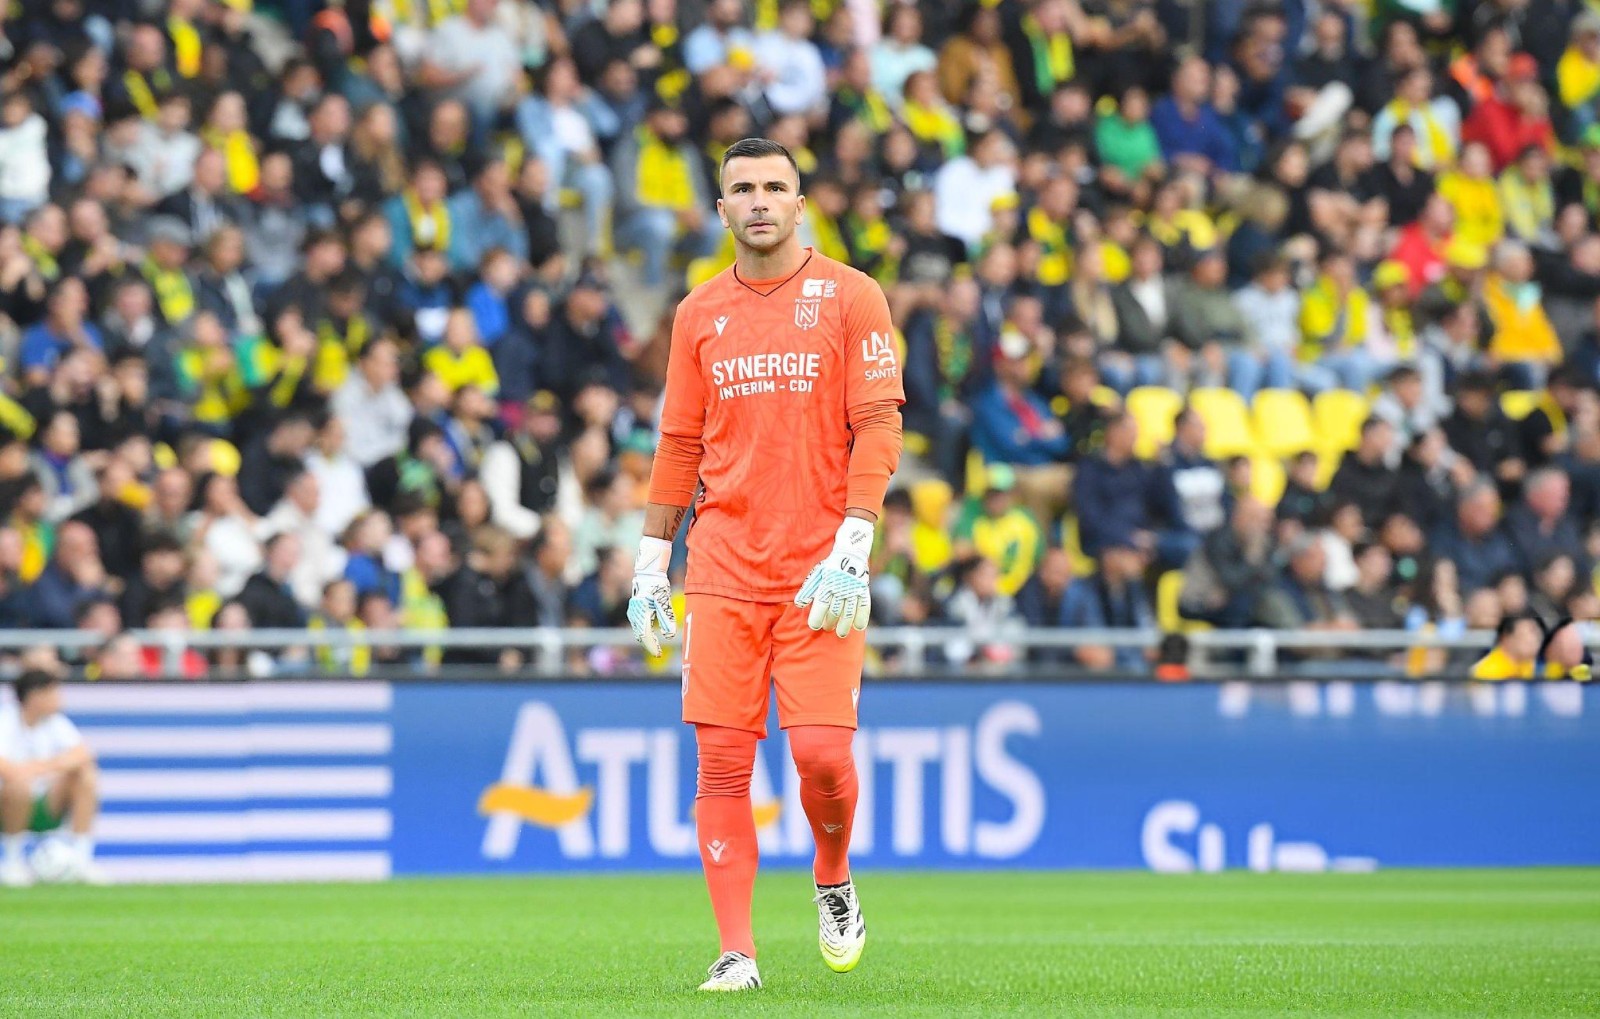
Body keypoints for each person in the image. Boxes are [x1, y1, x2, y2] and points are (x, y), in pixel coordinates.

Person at [628, 138, 902, 991]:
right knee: (721, 764)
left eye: (773, 186)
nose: (757, 200)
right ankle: (736, 949)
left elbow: (880, 425)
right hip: (720, 568)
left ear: (800, 202)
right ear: (719, 209)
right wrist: (649, 560)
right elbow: (678, 442)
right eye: (741, 188)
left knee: (820, 756)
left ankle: (831, 871)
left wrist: (854, 543)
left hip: (822, 571)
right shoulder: (696, 313)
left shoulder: (853, 297)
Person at [0, 670, 107, 886]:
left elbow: (83, 754)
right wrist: (40, 770)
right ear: (35, 696)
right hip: (10, 803)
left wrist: (38, 768)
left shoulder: (55, 722)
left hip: (47, 801)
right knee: (17, 786)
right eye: (53, 693)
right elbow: (7, 769)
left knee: (85, 776)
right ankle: (12, 862)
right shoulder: (6, 720)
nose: (59, 699)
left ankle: (81, 859)